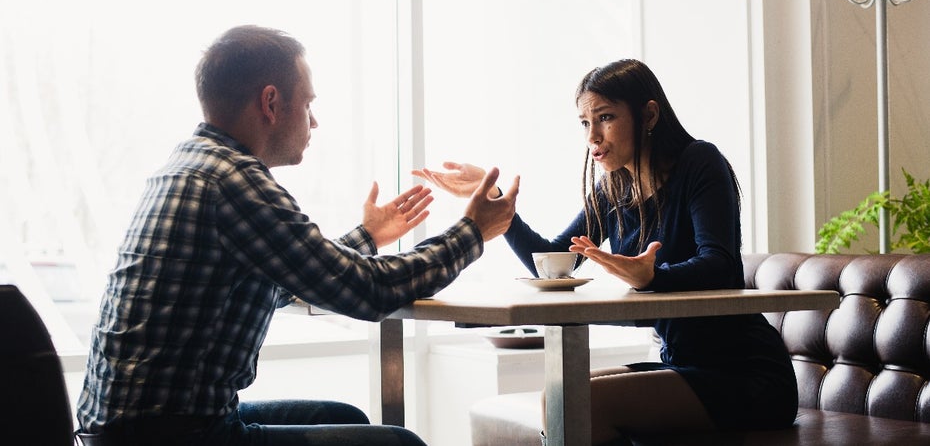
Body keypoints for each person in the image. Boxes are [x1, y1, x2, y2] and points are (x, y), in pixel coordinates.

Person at [75, 25, 519, 446]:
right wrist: (473, 232)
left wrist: (367, 237)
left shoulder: (189, 164)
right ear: (271, 103)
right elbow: (369, 291)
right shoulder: (233, 180)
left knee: (347, 419)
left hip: (129, 429)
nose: (315, 121)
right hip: (176, 436)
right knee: (400, 443)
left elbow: (287, 281)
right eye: (308, 103)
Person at [413, 59, 798, 445]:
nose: (592, 136)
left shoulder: (699, 162)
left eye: (606, 117)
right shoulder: (614, 191)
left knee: (584, 404)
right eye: (584, 122)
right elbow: (554, 261)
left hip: (748, 375)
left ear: (648, 114)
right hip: (683, 364)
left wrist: (653, 277)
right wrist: (497, 203)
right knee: (561, 398)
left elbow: (719, 264)